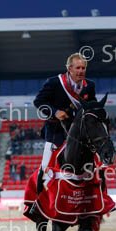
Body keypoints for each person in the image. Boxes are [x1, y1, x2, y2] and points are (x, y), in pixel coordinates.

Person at [33, 52, 97, 192]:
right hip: (56, 129)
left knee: (98, 158)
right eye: (78, 68)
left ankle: (98, 190)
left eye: (83, 68)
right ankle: (39, 194)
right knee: (46, 164)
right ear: (69, 68)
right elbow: (39, 101)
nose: (81, 71)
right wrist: (54, 112)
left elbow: (92, 107)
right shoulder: (54, 82)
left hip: (79, 131)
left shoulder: (89, 86)